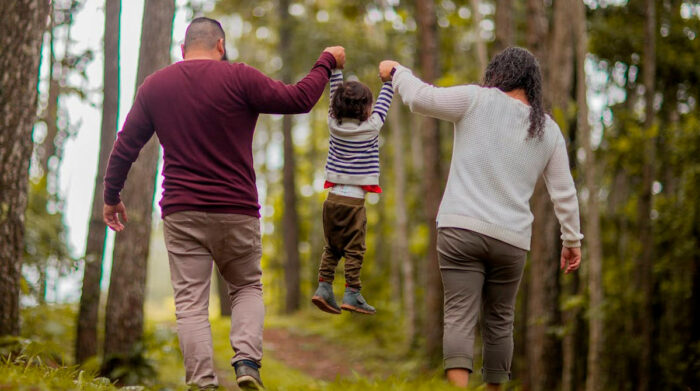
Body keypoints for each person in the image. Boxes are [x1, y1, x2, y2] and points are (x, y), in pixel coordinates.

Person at [102, 16, 345, 390]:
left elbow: (126, 145)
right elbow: (299, 99)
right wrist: (326, 60)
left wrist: (111, 196)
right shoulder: (240, 77)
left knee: (190, 304)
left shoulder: (156, 86)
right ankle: (247, 363)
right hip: (236, 209)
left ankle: (202, 383)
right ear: (221, 45)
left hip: (182, 211)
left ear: (183, 51)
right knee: (247, 286)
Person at [378, 47, 583, 390]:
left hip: (460, 229)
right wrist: (572, 241)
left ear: (498, 73)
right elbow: (564, 192)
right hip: (512, 241)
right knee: (500, 322)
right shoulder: (548, 130)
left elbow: (420, 99)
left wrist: (398, 71)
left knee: (459, 316)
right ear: (533, 84)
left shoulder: (475, 99)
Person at [310, 67, 394, 316]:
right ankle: (352, 292)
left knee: (332, 247)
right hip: (354, 204)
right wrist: (388, 81)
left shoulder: (332, 124)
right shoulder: (372, 127)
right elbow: (384, 103)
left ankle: (324, 286)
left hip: (332, 200)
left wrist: (336, 70)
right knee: (354, 250)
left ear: (336, 106)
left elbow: (333, 93)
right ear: (366, 108)